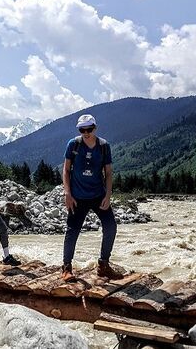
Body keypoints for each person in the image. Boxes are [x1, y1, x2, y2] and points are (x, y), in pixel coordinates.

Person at [61, 114, 125, 281]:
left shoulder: (104, 146)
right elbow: (66, 170)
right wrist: (67, 193)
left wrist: (108, 195)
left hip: (98, 195)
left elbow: (108, 173)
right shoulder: (73, 144)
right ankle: (66, 268)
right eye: (82, 130)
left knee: (111, 227)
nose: (86, 133)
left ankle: (103, 265)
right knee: (72, 231)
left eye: (89, 129)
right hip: (77, 197)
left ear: (95, 128)